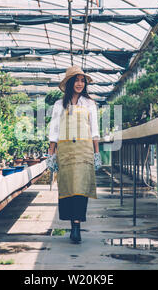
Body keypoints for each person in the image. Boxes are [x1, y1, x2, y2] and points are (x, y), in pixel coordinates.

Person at [46, 66, 102, 244]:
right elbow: (54, 130)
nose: (79, 83)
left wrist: (97, 153)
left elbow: (94, 130)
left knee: (81, 187)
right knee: (68, 186)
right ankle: (72, 223)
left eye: (82, 80)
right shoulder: (59, 105)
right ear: (70, 83)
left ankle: (77, 227)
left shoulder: (90, 104)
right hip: (66, 150)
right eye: (76, 80)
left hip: (84, 150)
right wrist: (51, 154)